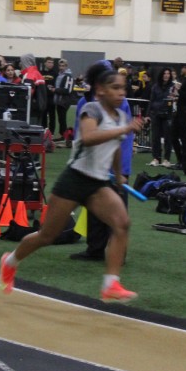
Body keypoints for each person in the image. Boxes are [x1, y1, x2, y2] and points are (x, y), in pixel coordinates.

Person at [0, 63, 144, 301]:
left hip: (98, 184)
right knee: (47, 235)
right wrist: (125, 129)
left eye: (123, 88)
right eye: (115, 88)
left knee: (122, 224)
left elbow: (116, 147)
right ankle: (10, 261)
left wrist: (118, 175)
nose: (121, 93)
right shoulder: (92, 109)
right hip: (75, 179)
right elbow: (88, 138)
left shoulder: (120, 117)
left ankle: (111, 284)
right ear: (101, 90)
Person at [69, 59, 137, 262]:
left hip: (115, 163)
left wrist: (119, 171)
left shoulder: (119, 102)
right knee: (94, 206)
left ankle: (118, 254)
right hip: (92, 165)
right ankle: (95, 249)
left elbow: (120, 138)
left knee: (117, 211)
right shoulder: (84, 103)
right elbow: (80, 135)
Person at [147, 67, 176, 167]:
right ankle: (156, 158)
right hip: (156, 114)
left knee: (168, 138)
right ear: (161, 75)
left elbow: (175, 98)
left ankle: (166, 159)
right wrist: (147, 115)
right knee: (155, 137)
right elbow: (151, 100)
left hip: (168, 115)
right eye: (164, 73)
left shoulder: (173, 86)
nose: (166, 75)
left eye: (168, 73)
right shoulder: (155, 86)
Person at [171, 61, 186, 169]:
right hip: (180, 111)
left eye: (183, 67)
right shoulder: (185, 80)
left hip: (185, 112)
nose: (182, 69)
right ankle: (180, 160)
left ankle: (185, 162)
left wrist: (178, 90)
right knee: (174, 136)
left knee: (183, 138)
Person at [18, 53, 46, 125]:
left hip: (31, 109)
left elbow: (26, 93)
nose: (21, 64)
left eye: (22, 61)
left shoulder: (29, 75)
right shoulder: (38, 73)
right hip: (39, 107)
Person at [53, 59, 74, 141]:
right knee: (60, 119)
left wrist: (55, 90)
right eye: (60, 66)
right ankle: (62, 135)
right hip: (59, 100)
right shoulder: (59, 75)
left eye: (63, 66)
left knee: (62, 119)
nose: (61, 67)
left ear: (66, 66)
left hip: (64, 101)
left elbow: (67, 90)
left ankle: (64, 136)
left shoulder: (68, 76)